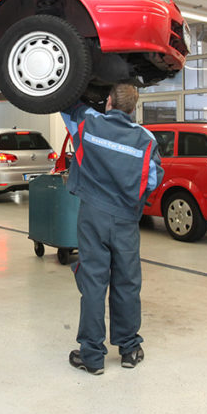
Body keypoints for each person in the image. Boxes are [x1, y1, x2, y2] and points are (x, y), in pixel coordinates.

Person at [60, 84, 162, 375]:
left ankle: (92, 357)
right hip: (126, 220)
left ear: (108, 101)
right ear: (133, 108)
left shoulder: (89, 123)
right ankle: (129, 349)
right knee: (127, 282)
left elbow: (64, 104)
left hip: (92, 216)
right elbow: (152, 180)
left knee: (93, 282)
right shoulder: (145, 138)